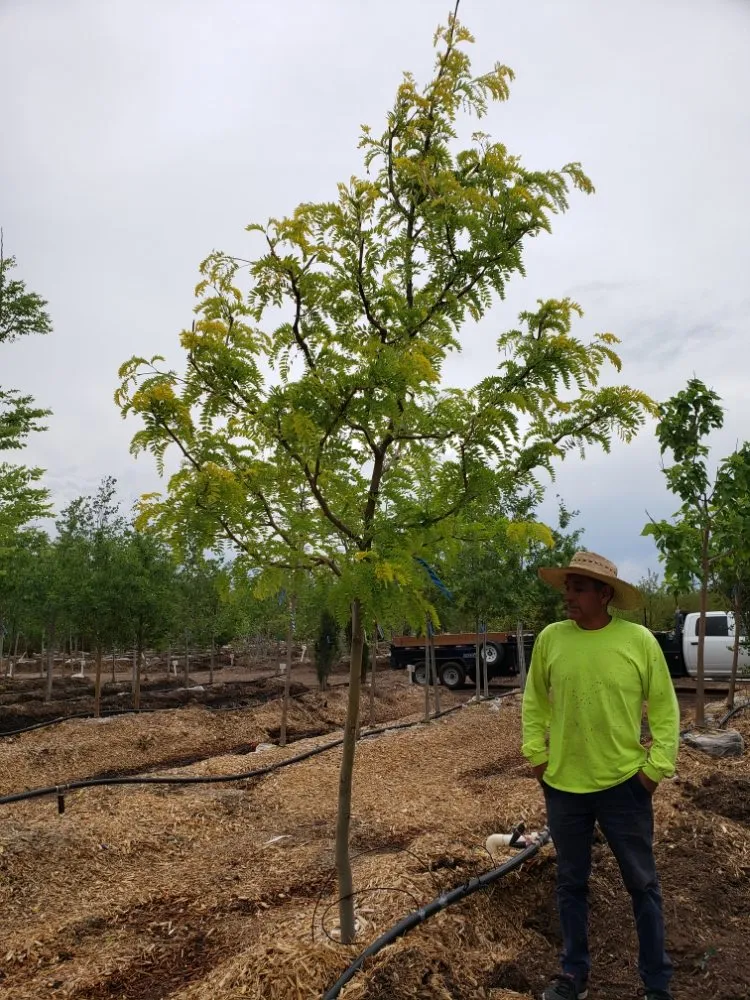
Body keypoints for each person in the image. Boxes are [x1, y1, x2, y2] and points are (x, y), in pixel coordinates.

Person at [521, 551, 680, 1000]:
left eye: (578, 588)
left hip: (624, 788)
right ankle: (574, 975)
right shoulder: (552, 640)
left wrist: (654, 771)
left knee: (643, 885)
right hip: (564, 789)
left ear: (604, 594)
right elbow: (534, 703)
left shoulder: (639, 641)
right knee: (571, 884)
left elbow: (666, 710)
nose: (568, 596)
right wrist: (537, 759)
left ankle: (656, 983)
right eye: (567, 587)